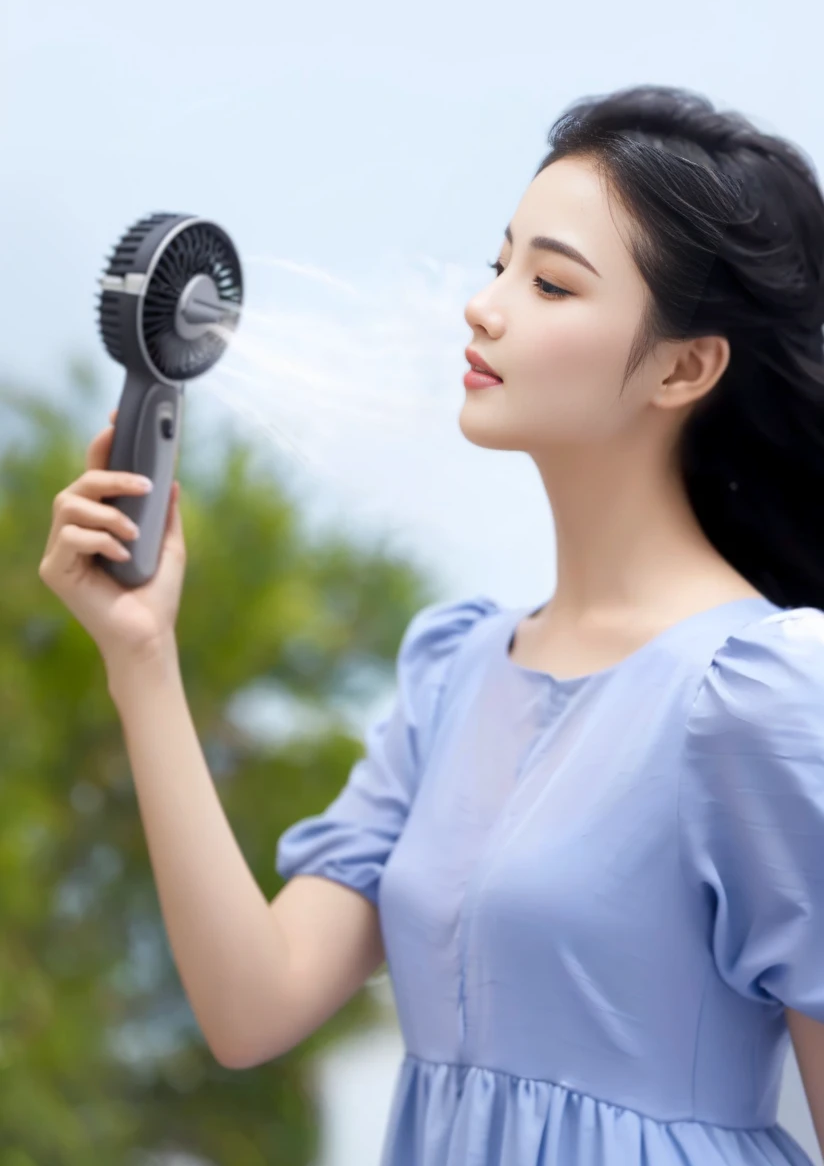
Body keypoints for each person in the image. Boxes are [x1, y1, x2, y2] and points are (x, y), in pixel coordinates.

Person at [39, 84, 824, 1165]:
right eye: (497, 261)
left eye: (549, 283)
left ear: (685, 366)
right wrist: (141, 655)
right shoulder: (456, 672)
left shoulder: (763, 695)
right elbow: (248, 1005)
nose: (485, 305)